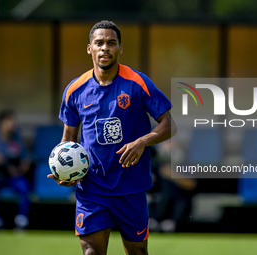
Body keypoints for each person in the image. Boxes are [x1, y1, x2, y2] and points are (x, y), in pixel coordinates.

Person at [48, 20, 176, 254]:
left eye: (111, 43)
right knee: (91, 252)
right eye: (99, 43)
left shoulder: (138, 83)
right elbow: (68, 139)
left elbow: (169, 126)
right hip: (92, 188)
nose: (105, 48)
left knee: (137, 252)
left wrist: (141, 142)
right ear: (90, 48)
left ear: (120, 48)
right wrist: (63, 171)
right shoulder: (75, 90)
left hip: (131, 187)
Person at [0, 110, 31, 230]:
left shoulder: (17, 142)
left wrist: (17, 170)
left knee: (24, 187)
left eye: (13, 121)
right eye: (9, 121)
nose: (12, 124)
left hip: (12, 176)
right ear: (0, 123)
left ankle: (21, 221)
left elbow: (26, 162)